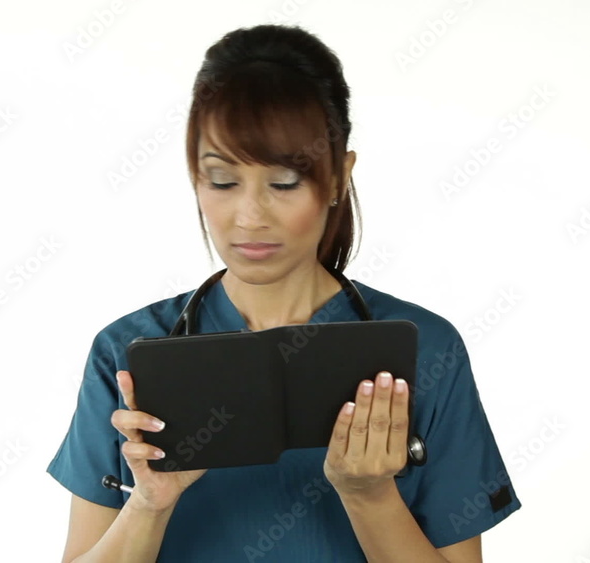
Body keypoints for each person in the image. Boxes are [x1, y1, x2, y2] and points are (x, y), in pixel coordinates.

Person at [46, 23, 521, 562]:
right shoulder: (128, 354)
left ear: (340, 174)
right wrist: (149, 503)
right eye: (222, 181)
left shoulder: (427, 353)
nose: (249, 217)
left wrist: (369, 495)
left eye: (284, 183)